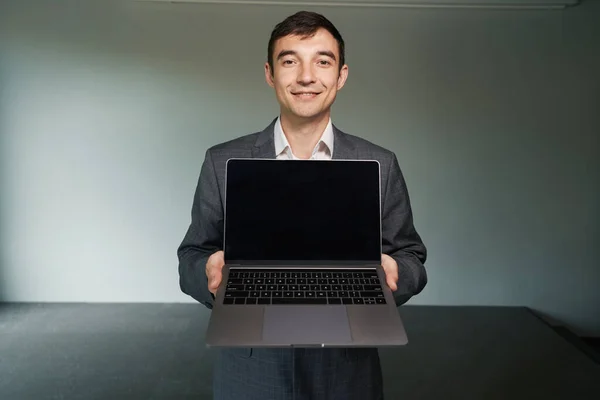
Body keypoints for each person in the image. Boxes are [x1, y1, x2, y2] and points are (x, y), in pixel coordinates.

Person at [177, 10, 427, 400]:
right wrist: (207, 272)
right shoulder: (222, 160)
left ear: (341, 75)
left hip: (346, 373)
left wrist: (397, 274)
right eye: (290, 60)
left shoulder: (380, 162)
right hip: (251, 370)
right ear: (269, 73)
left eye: (322, 61)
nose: (306, 76)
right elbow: (192, 254)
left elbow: (411, 256)